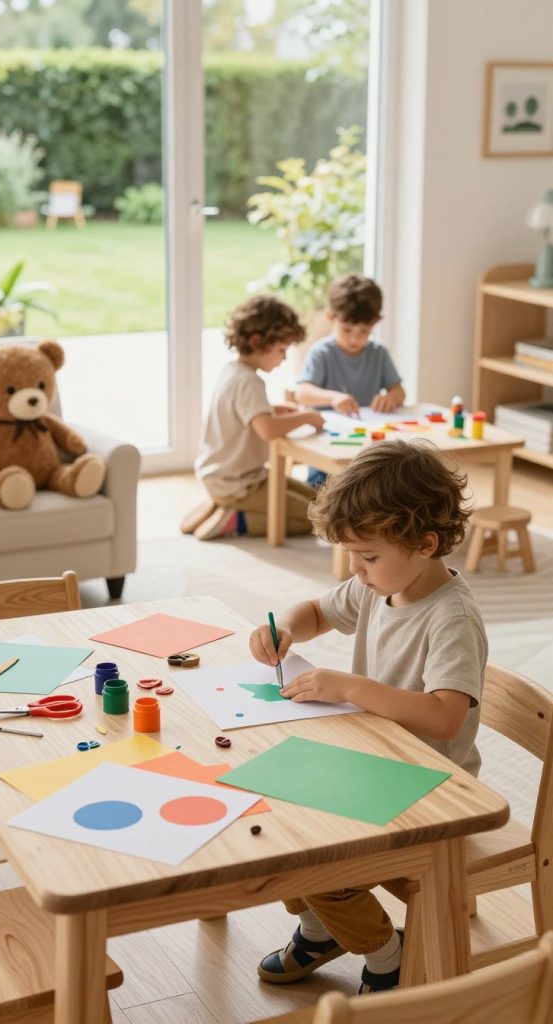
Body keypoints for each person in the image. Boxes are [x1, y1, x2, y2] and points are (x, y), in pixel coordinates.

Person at [249, 439, 487, 994]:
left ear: (425, 543)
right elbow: (314, 613)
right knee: (277, 817)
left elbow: (446, 717)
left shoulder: (451, 618)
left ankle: (388, 956)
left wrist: (355, 686)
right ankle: (322, 928)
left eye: (368, 556)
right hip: (378, 766)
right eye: (352, 556)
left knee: (324, 855)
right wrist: (283, 627)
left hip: (434, 790)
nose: (356, 570)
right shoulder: (380, 586)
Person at [181, 294, 324, 541]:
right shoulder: (250, 381)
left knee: (317, 501)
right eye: (282, 349)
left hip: (225, 477)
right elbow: (267, 430)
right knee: (315, 518)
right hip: (239, 485)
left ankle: (220, 505)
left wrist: (272, 409)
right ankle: (237, 520)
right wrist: (306, 417)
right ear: (259, 342)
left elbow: (242, 413)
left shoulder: (233, 371)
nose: (284, 358)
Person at [295, 273, 406, 488]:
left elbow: (399, 391)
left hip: (367, 446)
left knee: (383, 482)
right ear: (331, 318)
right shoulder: (322, 353)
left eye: (363, 331)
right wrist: (333, 397)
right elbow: (303, 392)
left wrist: (390, 397)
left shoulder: (378, 352)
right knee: (323, 491)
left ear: (375, 324)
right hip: (328, 445)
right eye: (347, 330)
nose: (355, 338)